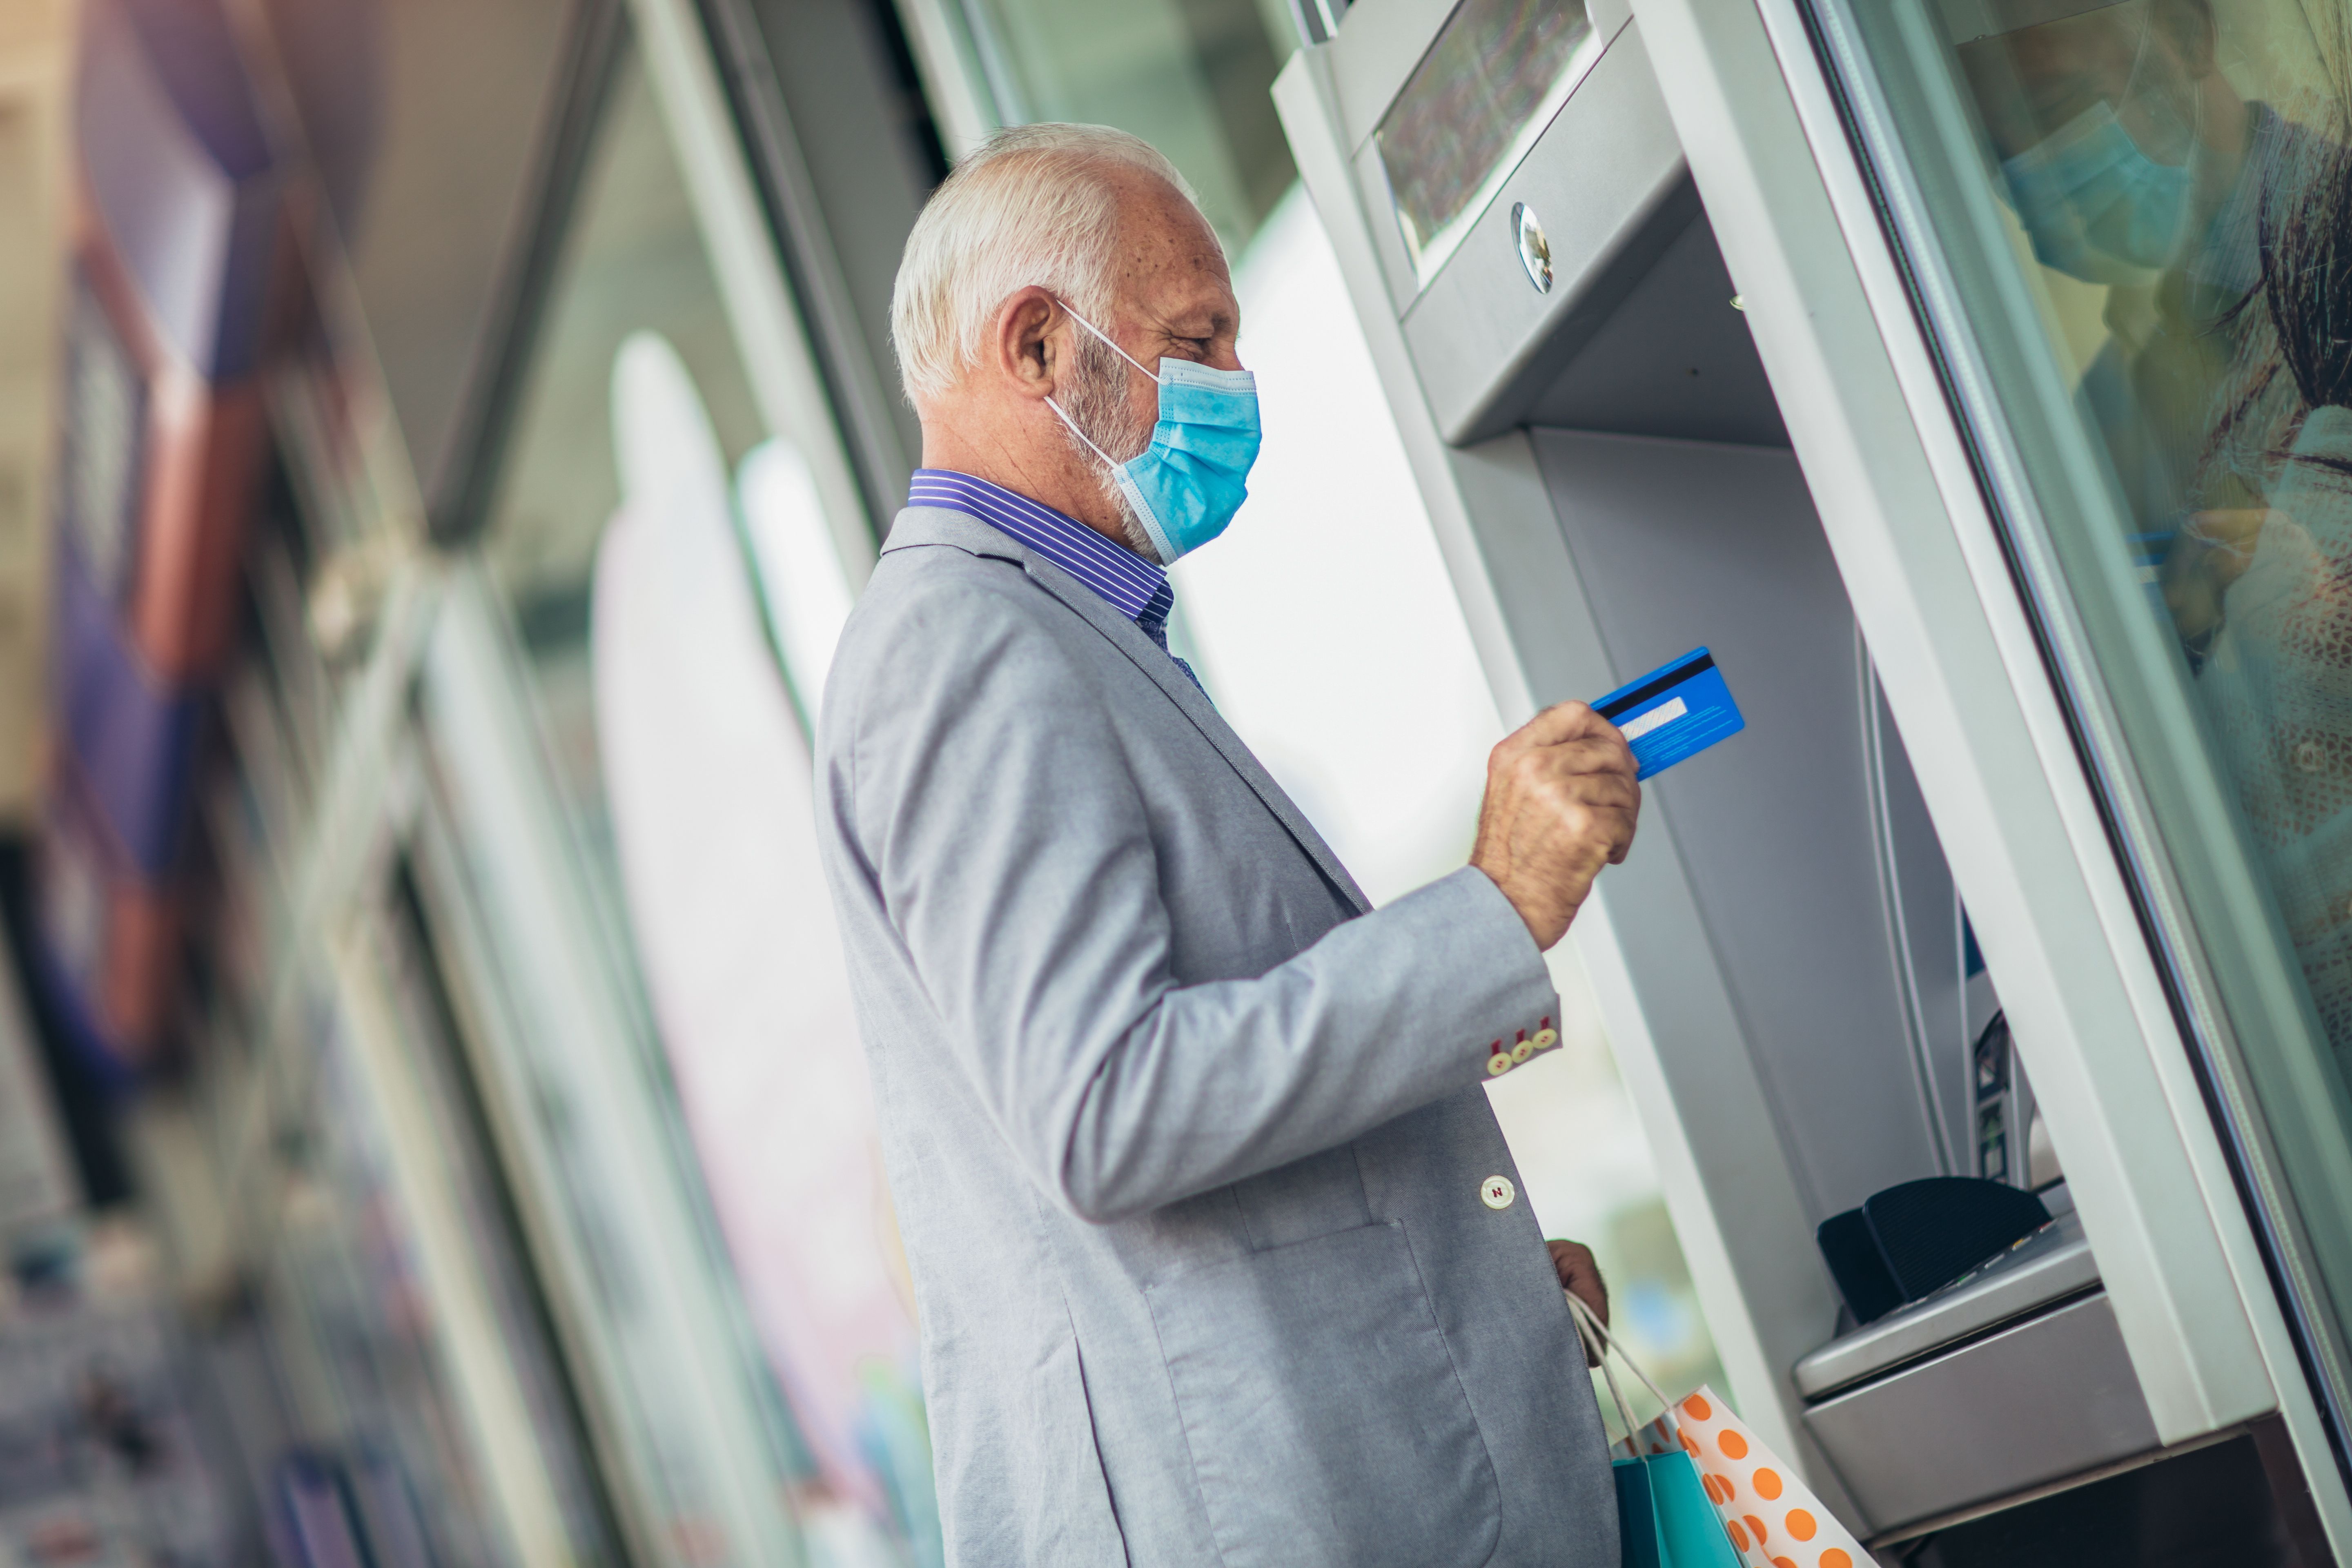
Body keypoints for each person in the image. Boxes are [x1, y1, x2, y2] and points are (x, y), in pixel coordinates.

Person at [813, 123, 1639, 1567]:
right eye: (1196, 340)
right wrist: (1494, 908)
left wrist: (1468, 1283)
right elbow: (1109, 1107)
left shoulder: (1053, 632)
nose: (1237, 389)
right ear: (1035, 348)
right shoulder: (964, 646)